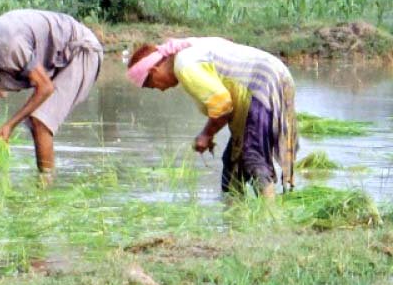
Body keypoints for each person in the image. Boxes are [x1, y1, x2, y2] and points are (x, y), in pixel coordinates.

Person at [126, 37, 298, 198]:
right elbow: (226, 104)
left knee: (252, 156)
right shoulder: (187, 53)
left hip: (262, 83)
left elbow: (222, 105)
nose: (160, 90)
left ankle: (270, 217)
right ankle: (234, 216)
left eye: (153, 85)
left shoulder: (184, 65)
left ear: (155, 70)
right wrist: (209, 133)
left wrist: (206, 135)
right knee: (232, 164)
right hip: (270, 77)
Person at [0, 9, 103, 172]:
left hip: (81, 50)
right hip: (55, 58)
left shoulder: (9, 45)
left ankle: (44, 188)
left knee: (40, 122)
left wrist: (9, 126)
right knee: (36, 121)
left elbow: (45, 87)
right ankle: (43, 182)